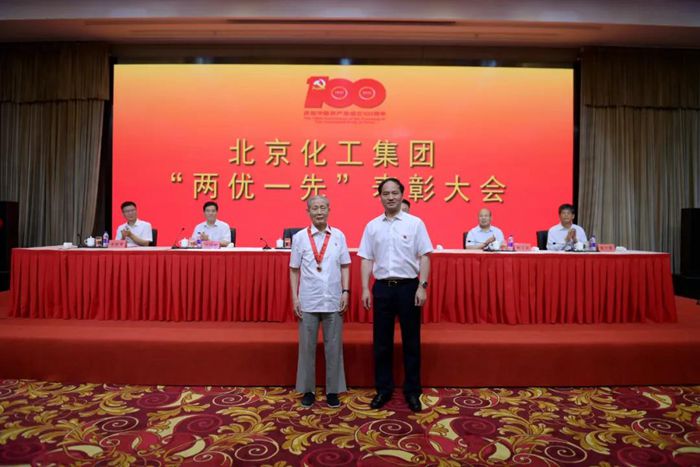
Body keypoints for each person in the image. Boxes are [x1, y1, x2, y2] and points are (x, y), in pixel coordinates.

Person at [358, 178, 433, 412]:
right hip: (382, 288)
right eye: (386, 193)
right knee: (381, 343)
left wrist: (422, 286)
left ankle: (412, 391)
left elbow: (425, 255)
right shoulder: (372, 226)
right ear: (380, 197)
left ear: (402, 195)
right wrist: (365, 288)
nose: (390, 197)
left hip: (408, 287)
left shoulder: (415, 223)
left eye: (394, 193)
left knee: (411, 342)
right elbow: (366, 258)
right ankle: (384, 389)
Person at [290, 195, 351, 408]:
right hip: (308, 300)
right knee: (307, 348)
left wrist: (345, 291)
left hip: (333, 299)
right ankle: (308, 390)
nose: (319, 212)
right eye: (315, 208)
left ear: (329, 209)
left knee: (334, 347)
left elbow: (345, 265)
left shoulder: (339, 236)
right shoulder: (300, 237)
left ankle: (333, 390)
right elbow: (294, 269)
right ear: (308, 211)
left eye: (323, 207)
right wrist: (295, 297)